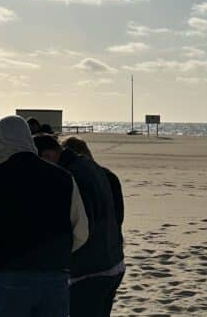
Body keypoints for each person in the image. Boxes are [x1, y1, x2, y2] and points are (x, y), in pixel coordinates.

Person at [0, 116, 89, 317]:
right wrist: (58, 251)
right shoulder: (63, 177)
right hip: (54, 275)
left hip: (11, 276)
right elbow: (81, 232)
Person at [59, 136, 126, 317]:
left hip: (90, 267)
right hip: (114, 260)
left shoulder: (76, 177)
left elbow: (81, 225)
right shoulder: (107, 176)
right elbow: (119, 217)